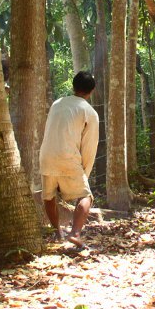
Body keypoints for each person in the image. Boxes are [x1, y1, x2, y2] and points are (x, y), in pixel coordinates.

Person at [39, 71, 99, 248]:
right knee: (86, 196)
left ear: (73, 86)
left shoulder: (57, 104)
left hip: (46, 156)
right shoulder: (89, 112)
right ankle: (75, 233)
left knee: (49, 196)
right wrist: (84, 174)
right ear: (91, 91)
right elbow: (89, 146)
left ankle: (57, 232)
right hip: (68, 157)